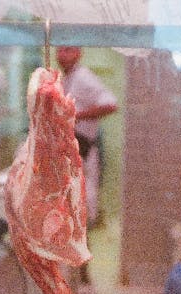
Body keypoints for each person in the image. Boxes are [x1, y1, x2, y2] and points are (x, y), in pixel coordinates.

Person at [56, 46, 117, 229]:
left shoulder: (83, 77)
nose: (62, 55)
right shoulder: (67, 78)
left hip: (82, 146)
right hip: (70, 149)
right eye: (60, 50)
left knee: (82, 203)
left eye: (68, 50)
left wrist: (76, 116)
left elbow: (110, 104)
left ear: (79, 54)